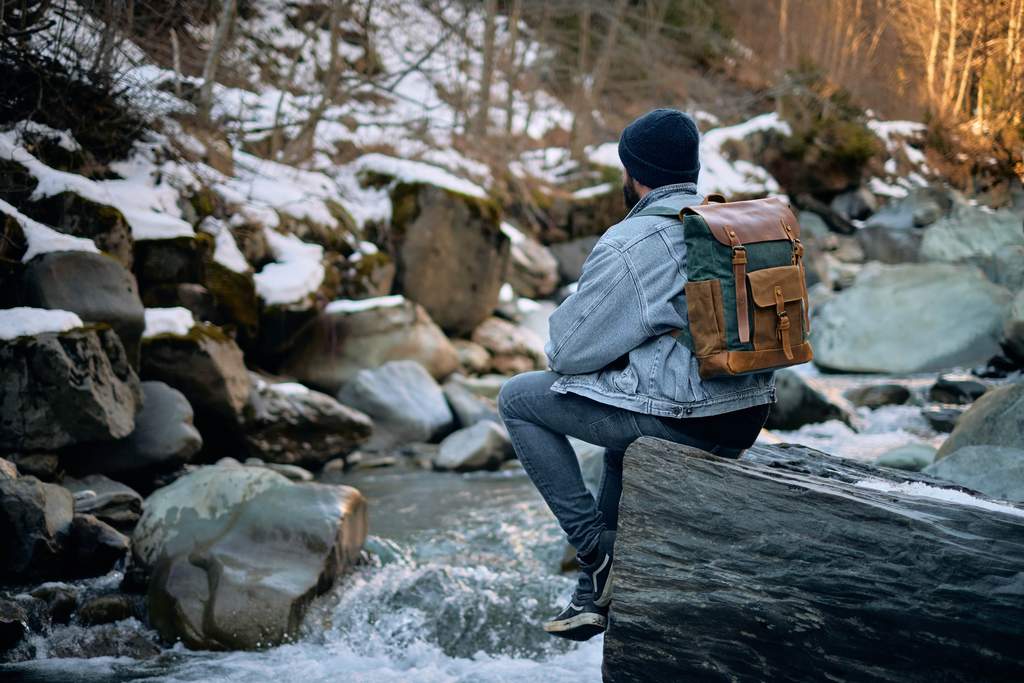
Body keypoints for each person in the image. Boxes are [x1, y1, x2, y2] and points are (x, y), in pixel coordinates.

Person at [497, 108, 775, 642]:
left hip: (692, 418)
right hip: (747, 412)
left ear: (635, 173)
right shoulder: (723, 222)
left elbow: (567, 350)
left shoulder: (636, 240)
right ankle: (594, 596)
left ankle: (595, 549)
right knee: (624, 423)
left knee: (517, 398)